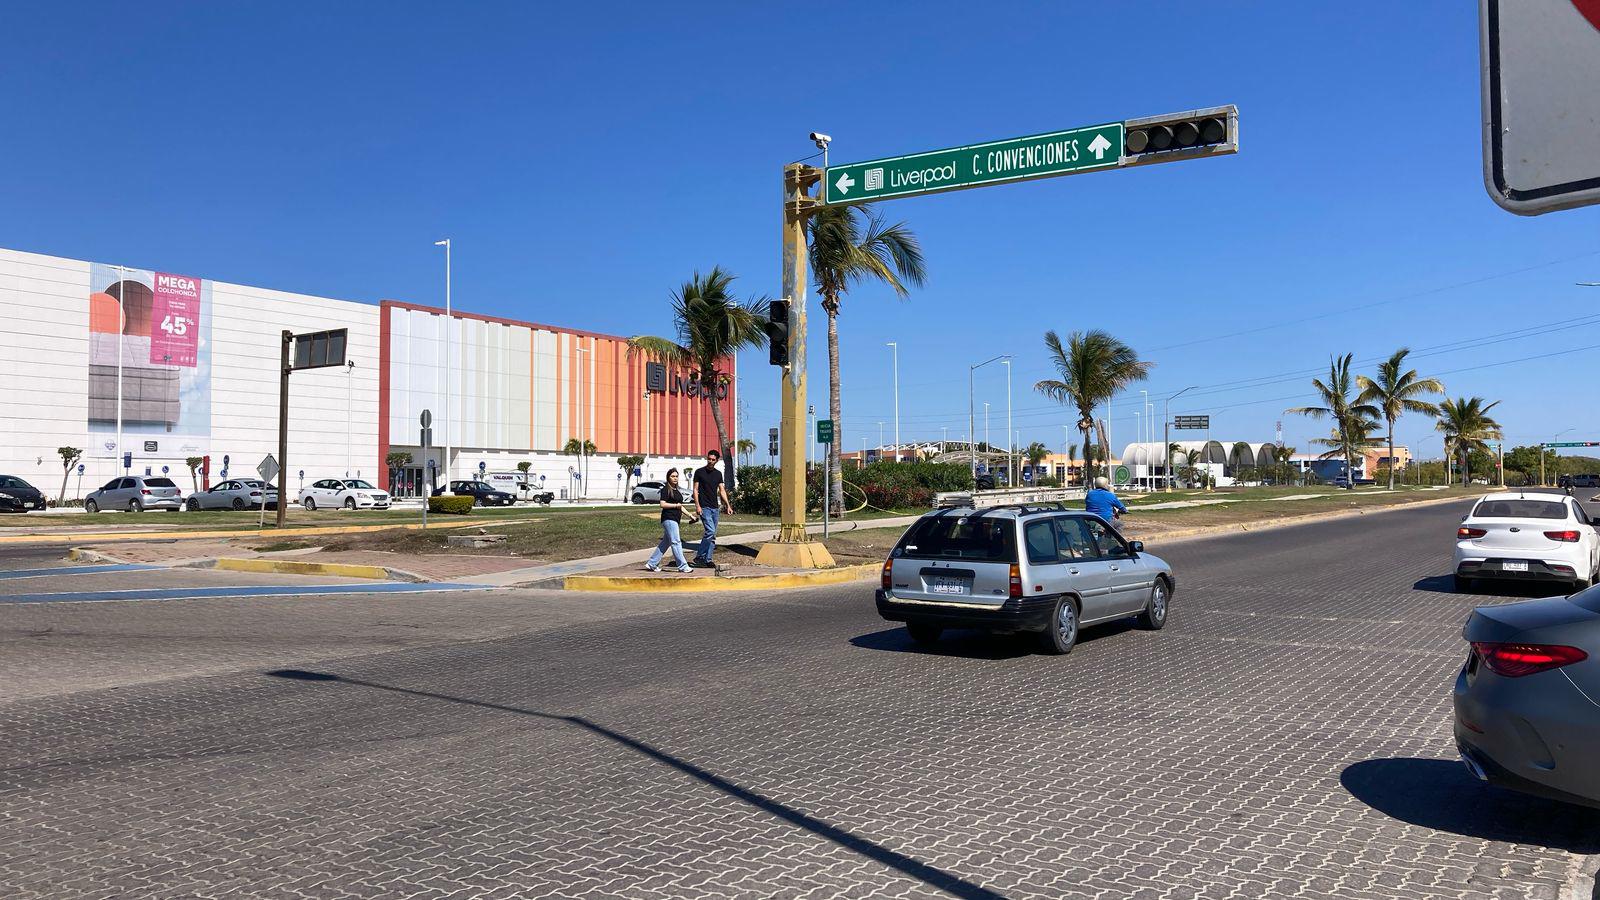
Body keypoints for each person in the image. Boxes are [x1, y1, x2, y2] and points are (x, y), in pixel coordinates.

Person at [645, 468, 696, 573]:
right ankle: (683, 566)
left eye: (676, 476)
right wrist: (675, 505)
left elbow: (680, 506)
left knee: (666, 543)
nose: (675, 478)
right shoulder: (665, 489)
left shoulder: (677, 490)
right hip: (668, 519)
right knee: (676, 542)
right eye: (673, 476)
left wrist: (691, 516)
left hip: (675, 519)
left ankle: (652, 563)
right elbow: (662, 504)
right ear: (668, 477)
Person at [690, 448, 733, 568]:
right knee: (710, 531)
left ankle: (708, 560)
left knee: (713, 536)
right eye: (709, 459)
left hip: (715, 508)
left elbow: (722, 490)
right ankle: (699, 557)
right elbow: (695, 489)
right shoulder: (699, 472)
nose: (710, 461)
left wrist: (727, 505)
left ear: (717, 460)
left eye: (713, 460)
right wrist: (697, 506)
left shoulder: (718, 474)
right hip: (704, 507)